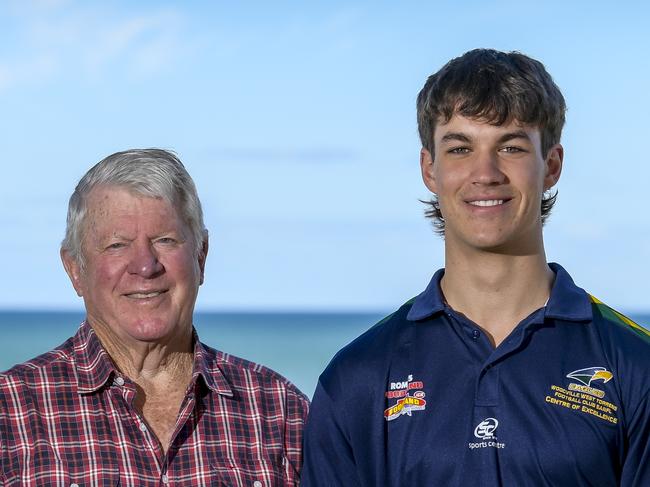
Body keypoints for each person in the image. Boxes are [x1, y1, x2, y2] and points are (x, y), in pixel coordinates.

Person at [301, 49, 650, 486]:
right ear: (430, 169)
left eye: (511, 146)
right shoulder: (358, 376)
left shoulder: (636, 365)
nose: (485, 173)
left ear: (552, 165)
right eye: (460, 148)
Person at [0, 149, 309, 486]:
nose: (146, 266)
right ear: (75, 269)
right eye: (117, 245)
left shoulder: (281, 411)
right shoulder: (11, 412)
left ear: (200, 256)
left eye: (165, 240)